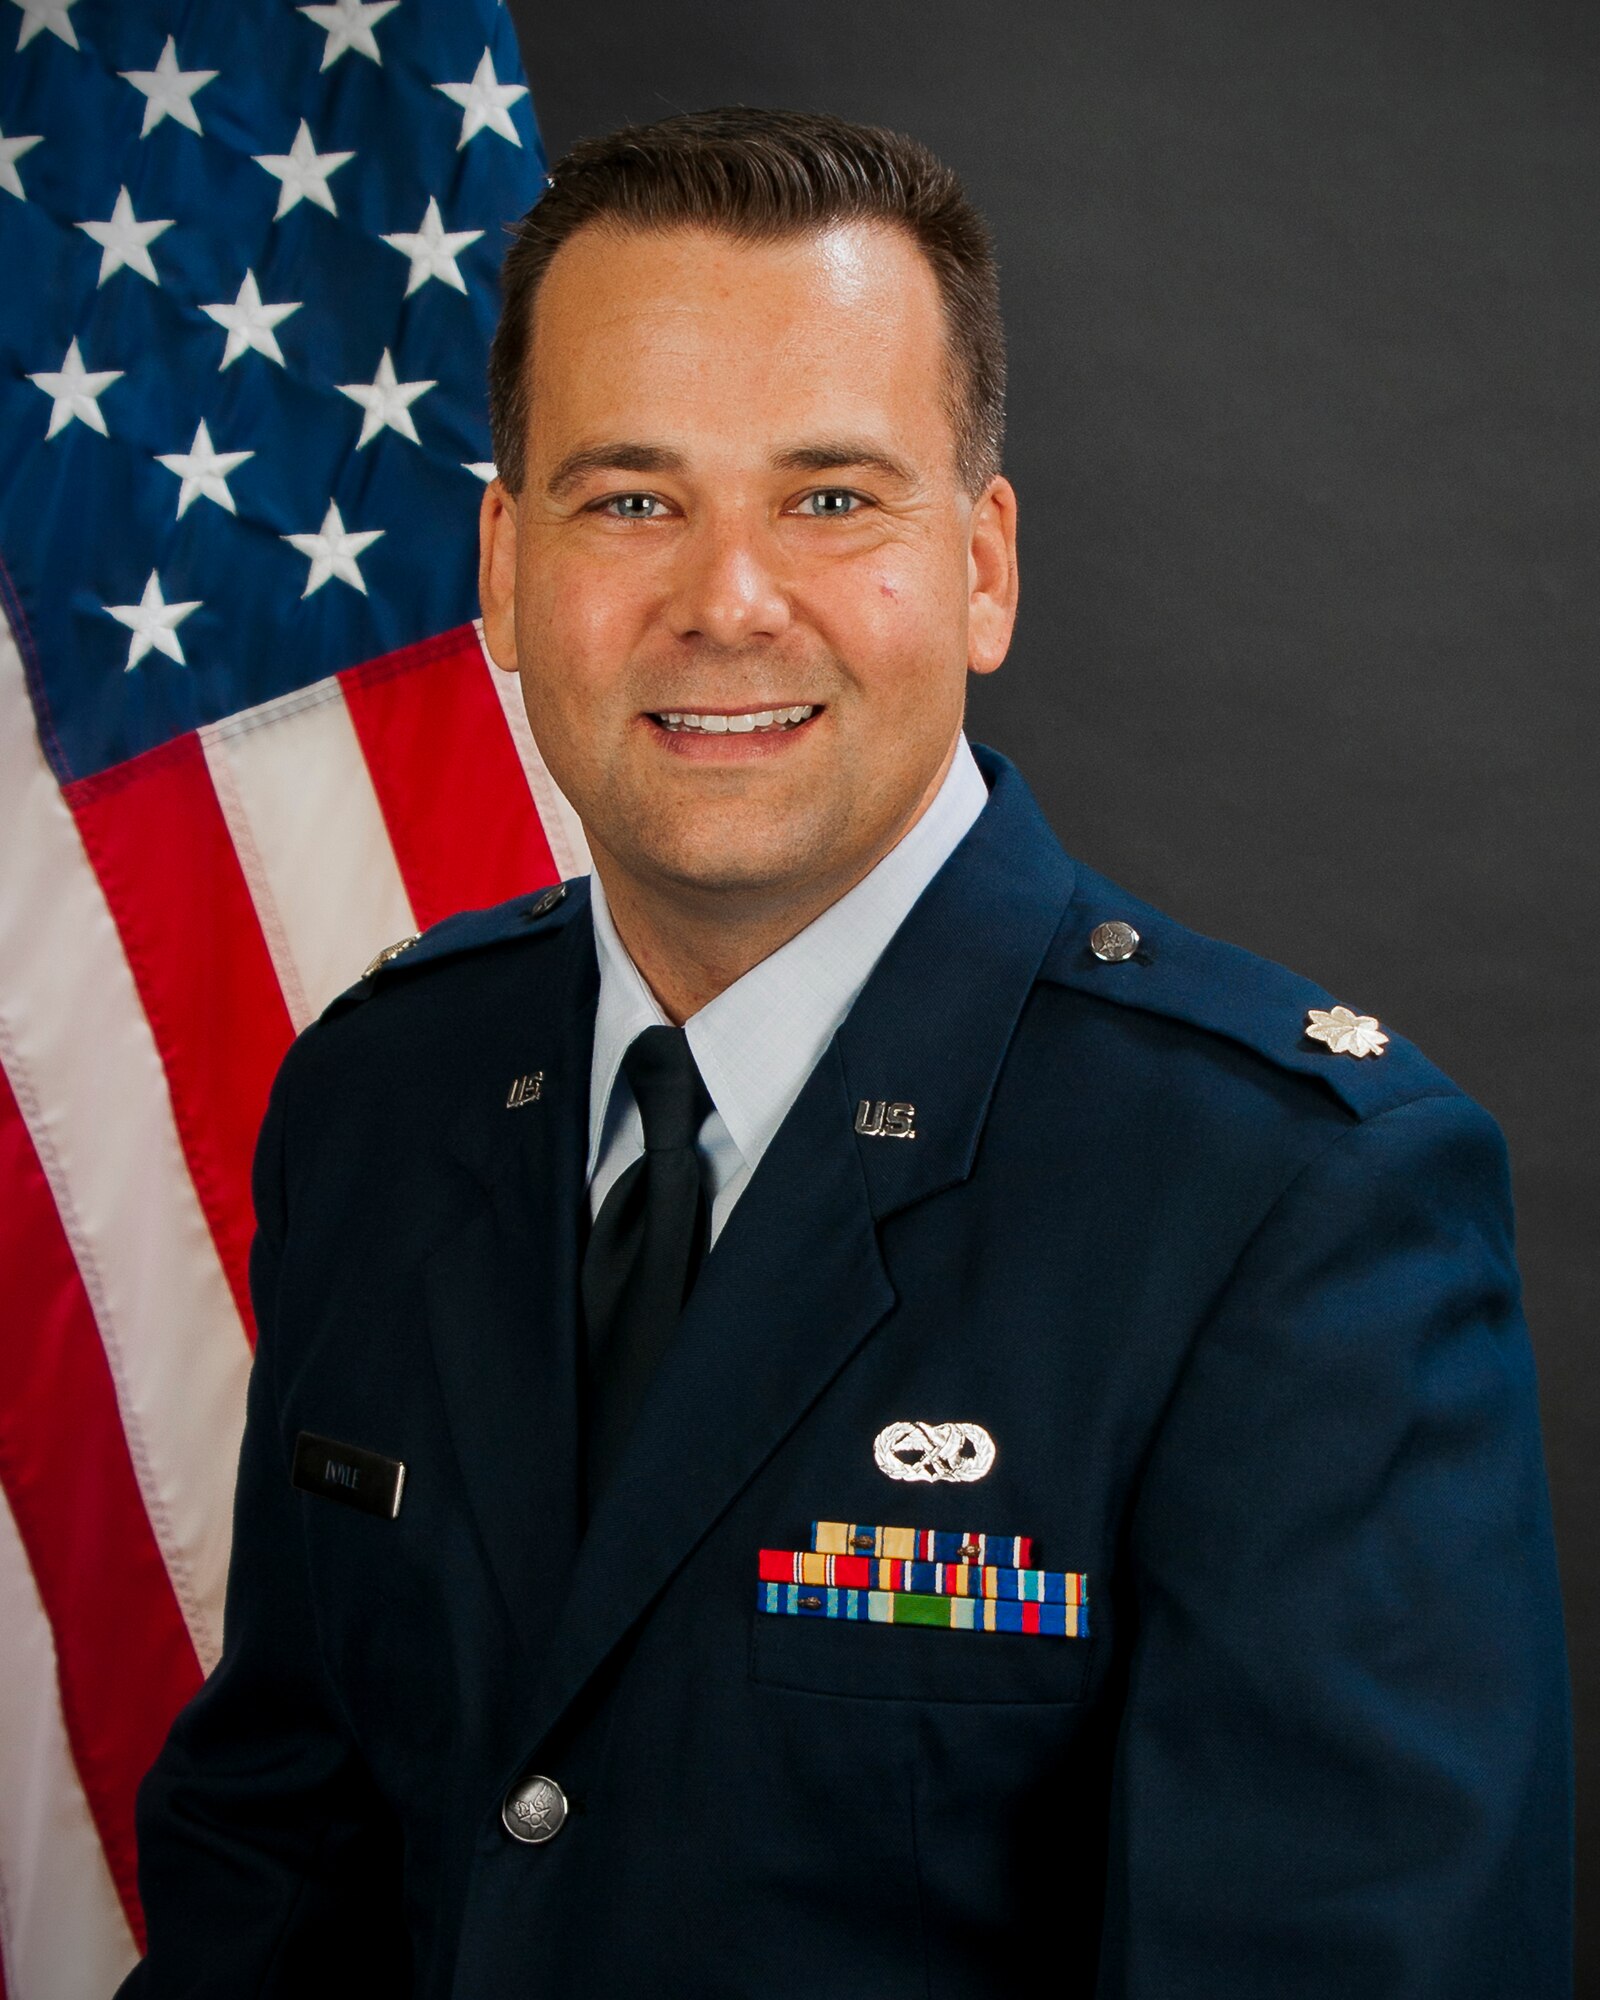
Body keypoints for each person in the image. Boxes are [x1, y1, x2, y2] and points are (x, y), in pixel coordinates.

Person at [121, 108, 1571, 1998]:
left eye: (829, 498)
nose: (727, 598)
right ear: (500, 564)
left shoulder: (1289, 1204)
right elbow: (275, 1887)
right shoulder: (382, 1102)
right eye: (630, 498)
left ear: (982, 566)